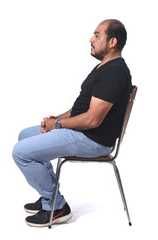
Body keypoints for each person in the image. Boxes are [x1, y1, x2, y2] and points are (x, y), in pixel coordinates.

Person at [12, 19, 133, 227]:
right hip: (83, 132)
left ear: (112, 42)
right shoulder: (103, 68)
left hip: (93, 139)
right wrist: (56, 119)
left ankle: (57, 207)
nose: (91, 39)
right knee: (25, 136)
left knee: (21, 152)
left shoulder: (114, 73)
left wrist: (58, 126)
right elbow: (81, 109)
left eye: (97, 35)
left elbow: (92, 120)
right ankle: (49, 197)